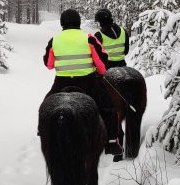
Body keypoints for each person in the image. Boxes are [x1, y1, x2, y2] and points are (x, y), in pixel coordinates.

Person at [43, 9, 122, 157]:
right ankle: (112, 142)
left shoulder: (54, 40)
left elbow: (49, 64)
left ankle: (42, 130)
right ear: (78, 22)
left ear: (62, 23)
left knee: (46, 104)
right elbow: (101, 62)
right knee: (109, 107)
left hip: (61, 83)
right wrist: (100, 71)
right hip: (88, 82)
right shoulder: (89, 38)